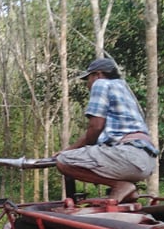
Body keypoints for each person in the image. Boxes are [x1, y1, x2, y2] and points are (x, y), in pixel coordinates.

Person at [55, 57, 158, 203]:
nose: (88, 85)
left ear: (98, 74)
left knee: (63, 161)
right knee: (72, 155)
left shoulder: (101, 84)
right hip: (147, 161)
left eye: (88, 79)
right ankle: (128, 192)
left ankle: (121, 186)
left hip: (128, 156)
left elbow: (96, 126)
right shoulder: (123, 87)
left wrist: (69, 151)